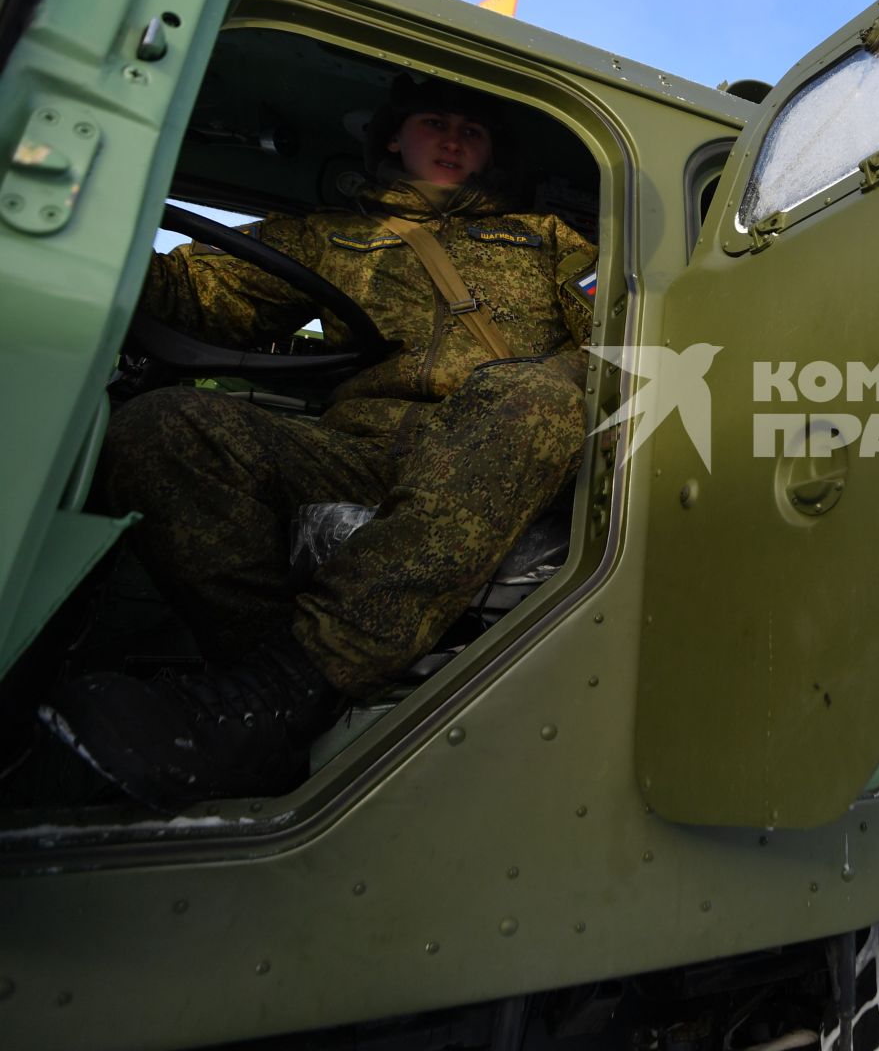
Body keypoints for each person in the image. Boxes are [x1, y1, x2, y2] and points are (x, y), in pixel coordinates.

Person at [39, 76, 598, 809]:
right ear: (395, 137)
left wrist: (555, 376)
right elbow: (196, 295)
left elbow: (617, 335)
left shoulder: (544, 240)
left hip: (507, 444)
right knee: (162, 427)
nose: (454, 139)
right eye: (435, 122)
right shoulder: (326, 236)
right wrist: (69, 213)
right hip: (363, 450)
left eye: (473, 130)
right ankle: (264, 700)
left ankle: (302, 679)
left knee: (538, 393)